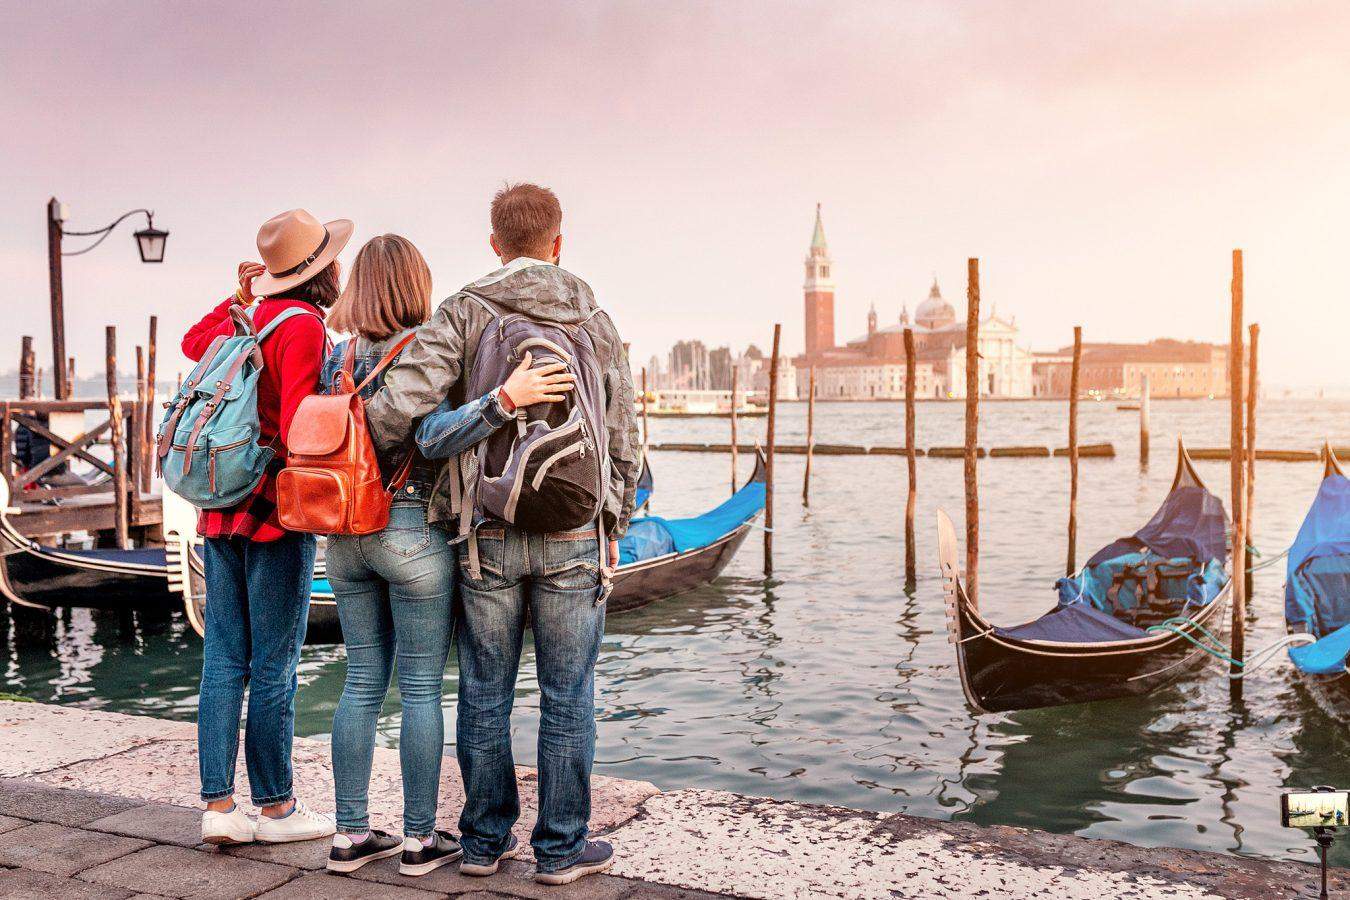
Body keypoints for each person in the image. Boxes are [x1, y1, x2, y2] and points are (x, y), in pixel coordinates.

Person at [365, 183, 641, 885]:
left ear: (494, 244)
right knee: (568, 696)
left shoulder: (463, 312)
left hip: (484, 532)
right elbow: (623, 439)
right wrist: (614, 522)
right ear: (559, 242)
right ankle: (560, 851)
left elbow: (394, 417)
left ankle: (485, 844)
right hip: (578, 535)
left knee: (485, 693)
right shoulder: (597, 320)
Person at [319, 234, 575, 876]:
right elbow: (431, 439)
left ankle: (348, 836)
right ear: (416, 285)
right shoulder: (424, 348)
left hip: (344, 536)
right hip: (409, 530)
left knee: (360, 681)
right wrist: (497, 403)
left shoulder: (340, 355)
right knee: (422, 689)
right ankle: (415, 840)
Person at [184, 209, 348, 845]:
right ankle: (276, 808)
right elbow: (304, 425)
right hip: (274, 512)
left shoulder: (250, 317)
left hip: (219, 506)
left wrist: (240, 298)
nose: (341, 268)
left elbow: (193, 345)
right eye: (334, 259)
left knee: (223, 658)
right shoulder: (304, 325)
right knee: (275, 663)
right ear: (319, 272)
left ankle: (220, 808)